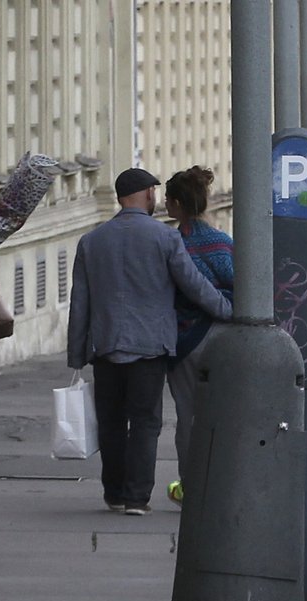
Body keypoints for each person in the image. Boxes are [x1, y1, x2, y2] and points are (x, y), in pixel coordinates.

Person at [67, 167, 232, 516]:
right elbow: (194, 286)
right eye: (153, 192)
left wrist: (76, 352)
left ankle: (113, 492)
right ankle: (137, 497)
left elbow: (80, 302)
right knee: (145, 422)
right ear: (144, 195)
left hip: (106, 345)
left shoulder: (91, 242)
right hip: (151, 346)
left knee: (110, 422)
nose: (156, 198)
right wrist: (227, 309)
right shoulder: (166, 239)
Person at [163, 166, 234, 506]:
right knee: (223, 411)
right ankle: (221, 483)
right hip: (222, 337)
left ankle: (190, 486)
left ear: (176, 204)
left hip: (182, 340)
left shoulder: (171, 243)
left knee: (188, 415)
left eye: (167, 200)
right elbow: (242, 285)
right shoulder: (222, 243)